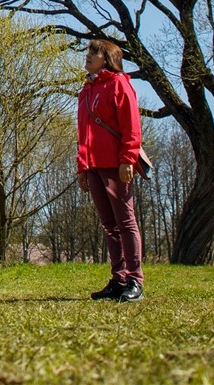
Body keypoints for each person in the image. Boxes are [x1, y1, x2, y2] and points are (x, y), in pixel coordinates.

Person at [77, 38, 144, 302]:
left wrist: (128, 159)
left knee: (125, 222)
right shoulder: (86, 90)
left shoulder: (119, 84)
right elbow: (83, 131)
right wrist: (82, 166)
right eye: (88, 52)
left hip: (116, 164)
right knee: (109, 225)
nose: (88, 56)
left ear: (107, 58)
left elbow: (131, 125)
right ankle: (118, 278)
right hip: (92, 165)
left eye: (94, 52)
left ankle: (134, 279)